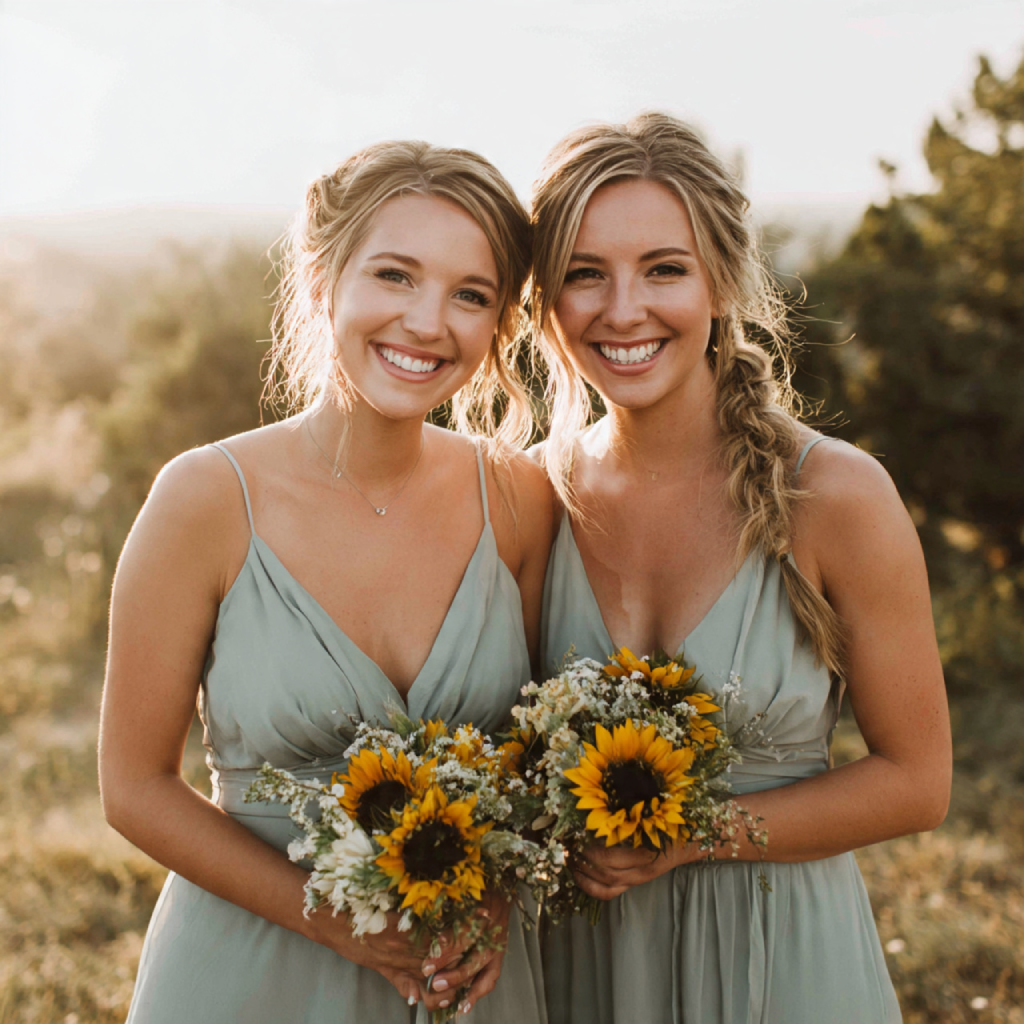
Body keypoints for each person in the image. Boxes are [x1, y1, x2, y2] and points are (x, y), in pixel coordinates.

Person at [99, 139, 554, 1024]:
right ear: (320, 278)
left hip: (464, 980)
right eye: (394, 275)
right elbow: (135, 788)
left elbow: (533, 750)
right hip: (248, 973)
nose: (427, 322)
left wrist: (501, 891)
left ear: (500, 324)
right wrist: (341, 926)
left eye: (471, 295)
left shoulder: (518, 497)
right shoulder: (204, 499)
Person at [529, 112, 951, 1023]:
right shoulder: (529, 498)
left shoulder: (836, 495)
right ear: (545, 301)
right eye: (584, 274)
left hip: (782, 962)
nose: (623, 309)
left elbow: (917, 783)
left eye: (664, 269)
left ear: (721, 281)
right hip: (582, 968)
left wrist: (692, 839)